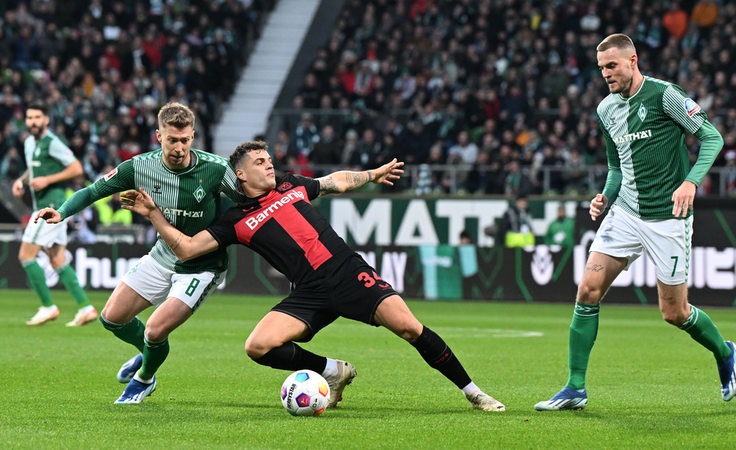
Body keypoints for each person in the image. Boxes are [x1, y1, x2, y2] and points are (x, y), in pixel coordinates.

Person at [120, 140, 505, 412]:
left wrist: (371, 174)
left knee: (410, 329)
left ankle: (473, 392)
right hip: (309, 291)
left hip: (347, 272)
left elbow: (334, 181)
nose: (269, 164)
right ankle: (333, 371)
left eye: (269, 159)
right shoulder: (234, 221)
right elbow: (186, 249)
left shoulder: (291, 184)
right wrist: (154, 214)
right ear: (240, 173)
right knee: (258, 346)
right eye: (260, 162)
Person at [534, 34, 736, 411]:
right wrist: (605, 197)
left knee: (674, 313)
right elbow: (616, 166)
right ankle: (574, 387)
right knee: (587, 290)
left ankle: (724, 351)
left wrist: (690, 182)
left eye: (612, 66)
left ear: (633, 60)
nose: (606, 74)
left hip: (669, 218)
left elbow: (711, 137)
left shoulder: (665, 95)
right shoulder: (606, 109)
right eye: (601, 69)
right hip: (625, 214)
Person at [35, 102, 245, 404]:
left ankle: (144, 378)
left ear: (193, 136)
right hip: (163, 256)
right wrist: (62, 211)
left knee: (156, 330)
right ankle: (148, 355)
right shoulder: (140, 167)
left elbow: (252, 198)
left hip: (203, 265)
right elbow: (94, 190)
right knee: (112, 318)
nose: (179, 147)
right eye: (172, 140)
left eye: (185, 140)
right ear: (158, 136)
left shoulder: (215, 168)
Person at [11, 103, 96, 327]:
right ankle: (86, 308)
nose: (33, 122)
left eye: (38, 117)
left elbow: (77, 168)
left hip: (51, 207)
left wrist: (48, 180)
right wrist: (22, 180)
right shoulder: (30, 142)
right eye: (29, 118)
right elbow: (33, 168)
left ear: (46, 119)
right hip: (44, 206)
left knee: (26, 256)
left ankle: (48, 306)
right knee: (57, 259)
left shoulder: (52, 142)